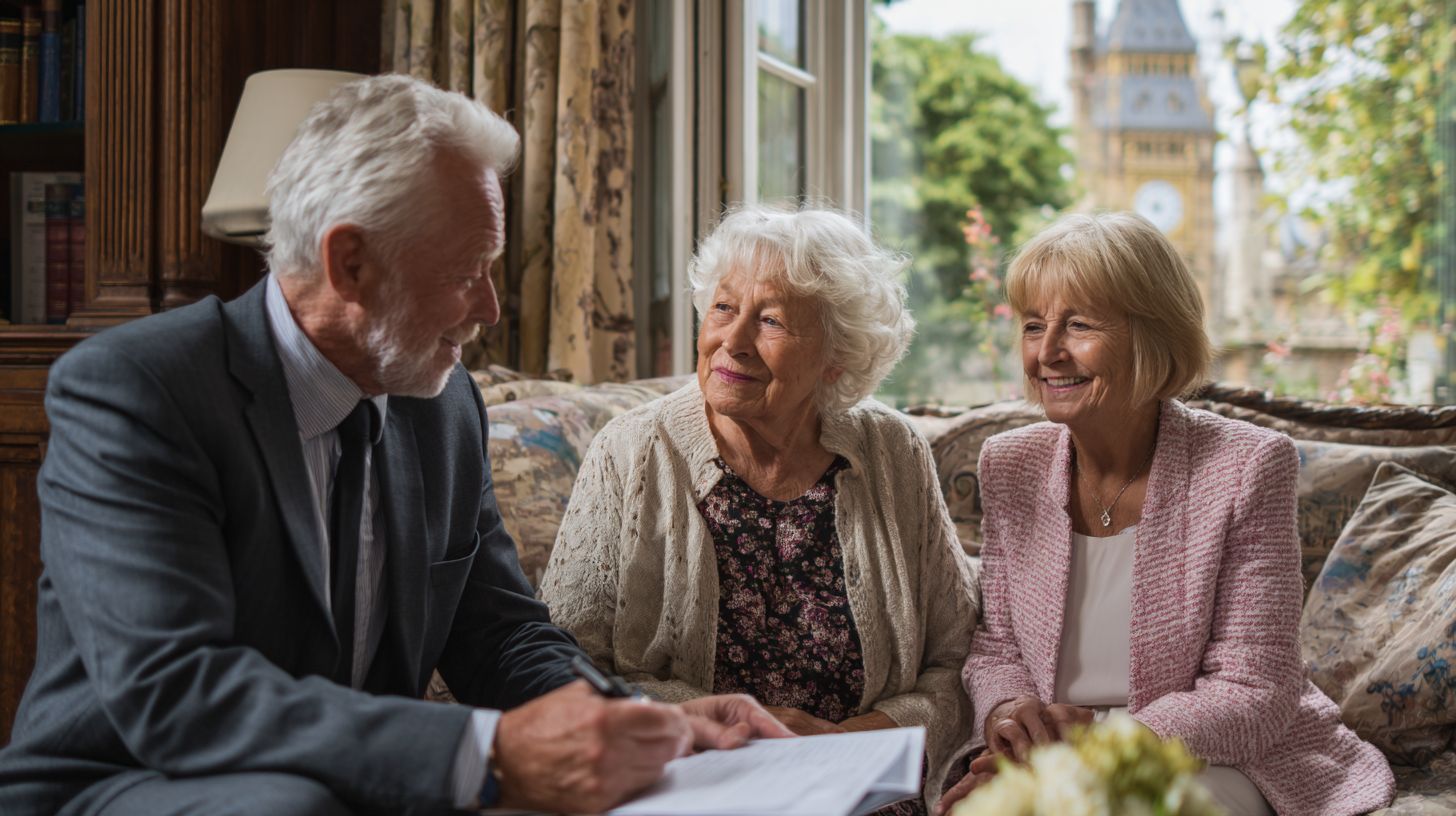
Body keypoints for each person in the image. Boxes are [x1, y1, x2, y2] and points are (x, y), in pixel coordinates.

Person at [0, 74, 788, 816]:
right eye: (466, 272)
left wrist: (646, 723)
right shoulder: (141, 390)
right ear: (349, 262)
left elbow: (501, 636)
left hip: (347, 784)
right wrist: (488, 748)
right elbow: (175, 690)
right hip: (124, 784)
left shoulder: (441, 406)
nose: (488, 306)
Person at [937, 212, 1394, 816]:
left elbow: (1255, 689)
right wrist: (1008, 714)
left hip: (1205, 754)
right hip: (1056, 754)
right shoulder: (1009, 463)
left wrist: (1105, 749)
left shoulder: (1247, 464)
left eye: (1077, 325)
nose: (1047, 352)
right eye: (1033, 325)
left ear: (1151, 336)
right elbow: (997, 647)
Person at [540, 205, 980, 815]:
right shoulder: (633, 451)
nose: (733, 341)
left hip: (864, 799)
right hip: (685, 793)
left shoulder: (892, 452)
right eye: (723, 308)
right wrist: (721, 736)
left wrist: (851, 739)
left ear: (837, 356)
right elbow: (562, 664)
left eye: (770, 320)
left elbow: (958, 661)